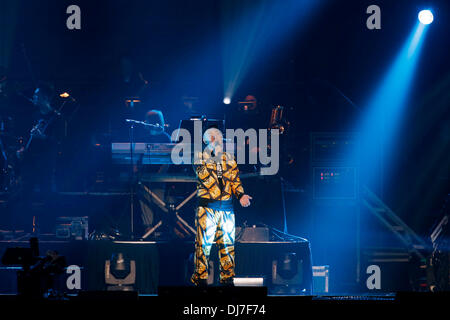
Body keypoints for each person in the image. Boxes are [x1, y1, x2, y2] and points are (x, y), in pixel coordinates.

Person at [191, 127, 252, 286]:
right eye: (213, 139)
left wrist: (241, 195)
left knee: (227, 245)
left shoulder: (230, 159)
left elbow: (235, 181)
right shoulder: (199, 157)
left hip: (226, 209)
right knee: (203, 245)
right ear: (206, 141)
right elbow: (205, 176)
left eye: (219, 138)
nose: (218, 141)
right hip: (207, 208)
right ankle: (201, 278)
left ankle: (227, 278)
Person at [136, 109, 171, 237]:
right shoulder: (144, 138)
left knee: (159, 204)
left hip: (159, 178)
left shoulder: (165, 137)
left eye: (149, 120)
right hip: (145, 177)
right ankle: (148, 230)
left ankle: (166, 229)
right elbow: (136, 156)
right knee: (145, 203)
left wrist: (159, 175)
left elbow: (168, 159)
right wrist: (136, 168)